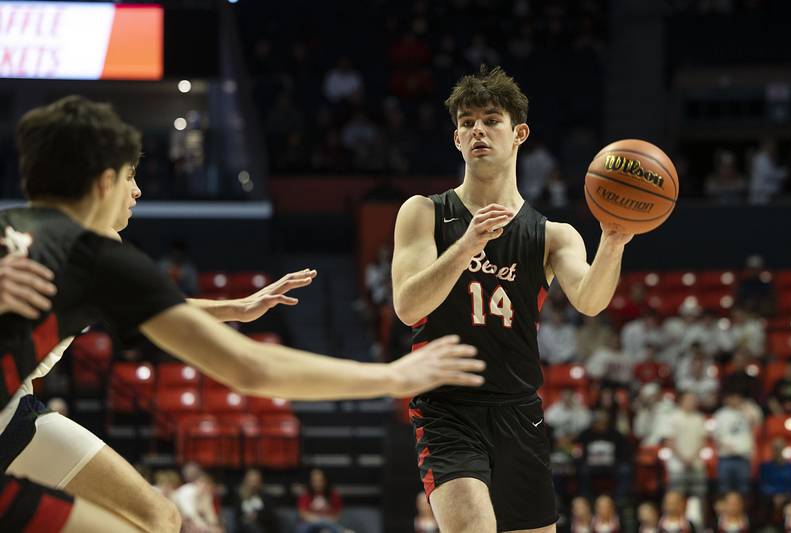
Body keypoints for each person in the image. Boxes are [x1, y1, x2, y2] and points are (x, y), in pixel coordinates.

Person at [0, 96, 485, 531]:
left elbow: (154, 307)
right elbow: (250, 368)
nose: (137, 193)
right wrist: (391, 376)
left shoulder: (16, 228)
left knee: (156, 516)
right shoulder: (94, 255)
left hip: (13, 413)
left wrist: (236, 307)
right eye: (130, 179)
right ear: (103, 183)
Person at [392, 66, 633, 533]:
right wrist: (466, 244)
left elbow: (590, 300)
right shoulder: (424, 212)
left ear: (519, 132)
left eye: (490, 119)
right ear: (456, 139)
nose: (477, 129)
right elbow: (407, 306)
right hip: (447, 407)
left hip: (519, 410)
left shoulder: (552, 234)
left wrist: (614, 241)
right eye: (466, 123)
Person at [296, 468, 344, 533]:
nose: (317, 483)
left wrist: (325, 522)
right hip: (310, 523)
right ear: (310, 481)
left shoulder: (334, 495)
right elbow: (303, 514)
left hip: (329, 524)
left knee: (329, 530)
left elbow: (337, 515)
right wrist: (320, 520)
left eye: (320, 480)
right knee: (303, 528)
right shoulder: (305, 494)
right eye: (314, 480)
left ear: (325, 480)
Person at [234, 468, 279, 533]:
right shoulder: (240, 496)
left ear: (259, 481)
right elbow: (237, 516)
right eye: (251, 480)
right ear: (246, 481)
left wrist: (257, 516)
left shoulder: (265, 496)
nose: (253, 483)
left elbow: (270, 515)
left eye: (255, 481)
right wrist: (247, 517)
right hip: (244, 527)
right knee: (248, 525)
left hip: (263, 526)